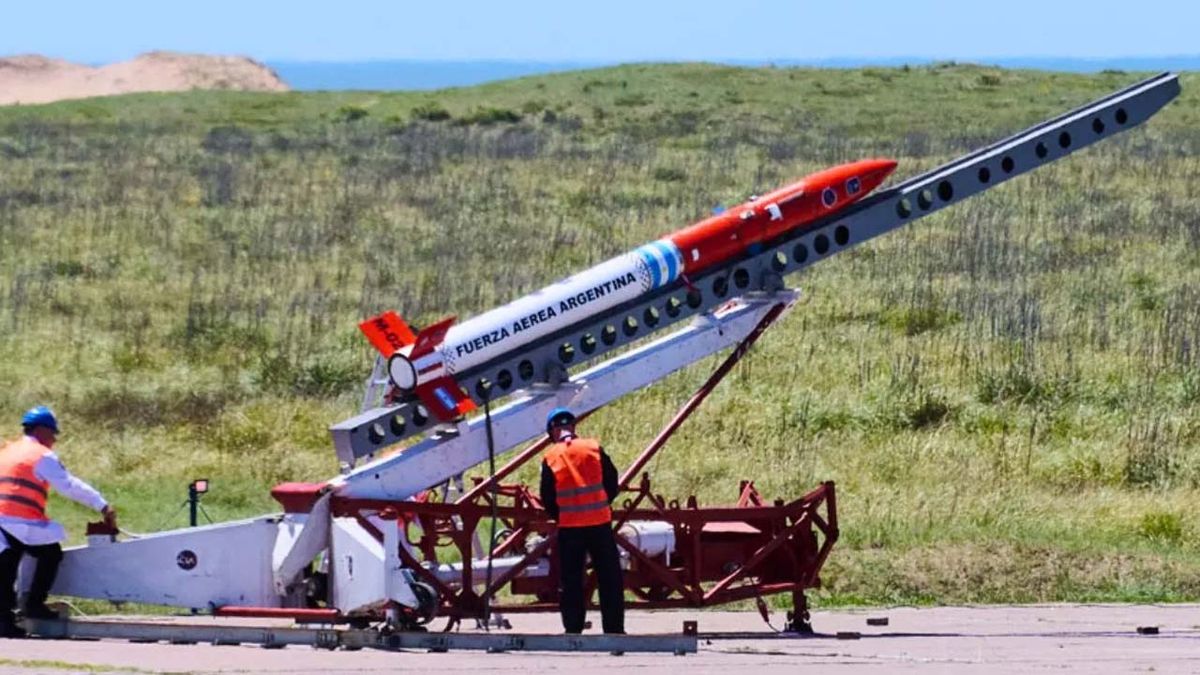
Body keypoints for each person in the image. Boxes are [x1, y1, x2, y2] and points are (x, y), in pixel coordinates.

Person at [0, 406, 116, 638]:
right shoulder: (42, 456)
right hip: (22, 522)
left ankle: (5, 623)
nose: (53, 440)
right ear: (42, 430)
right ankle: (34, 604)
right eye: (53, 434)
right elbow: (69, 485)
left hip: (2, 524)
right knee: (51, 554)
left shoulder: (7, 450)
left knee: (6, 569)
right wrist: (102, 505)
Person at [539, 407, 624, 635]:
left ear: (552, 432)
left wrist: (562, 514)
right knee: (609, 578)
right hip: (599, 524)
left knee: (571, 581)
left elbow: (547, 497)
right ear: (572, 427)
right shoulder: (593, 447)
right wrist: (601, 504)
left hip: (570, 527)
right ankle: (614, 630)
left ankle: (573, 630)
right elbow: (612, 482)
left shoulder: (551, 456)